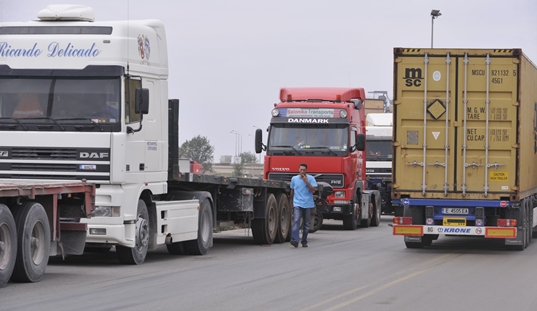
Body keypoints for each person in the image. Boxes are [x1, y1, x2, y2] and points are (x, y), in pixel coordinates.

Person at [290, 163, 317, 248]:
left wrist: (307, 182)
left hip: (308, 204)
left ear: (306, 170)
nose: (302, 171)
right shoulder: (294, 179)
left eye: (304, 170)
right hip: (297, 203)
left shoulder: (311, 178)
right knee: (296, 221)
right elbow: (292, 190)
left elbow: (313, 191)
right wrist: (291, 202)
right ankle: (295, 240)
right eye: (301, 169)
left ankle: (304, 240)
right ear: (298, 170)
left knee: (306, 224)